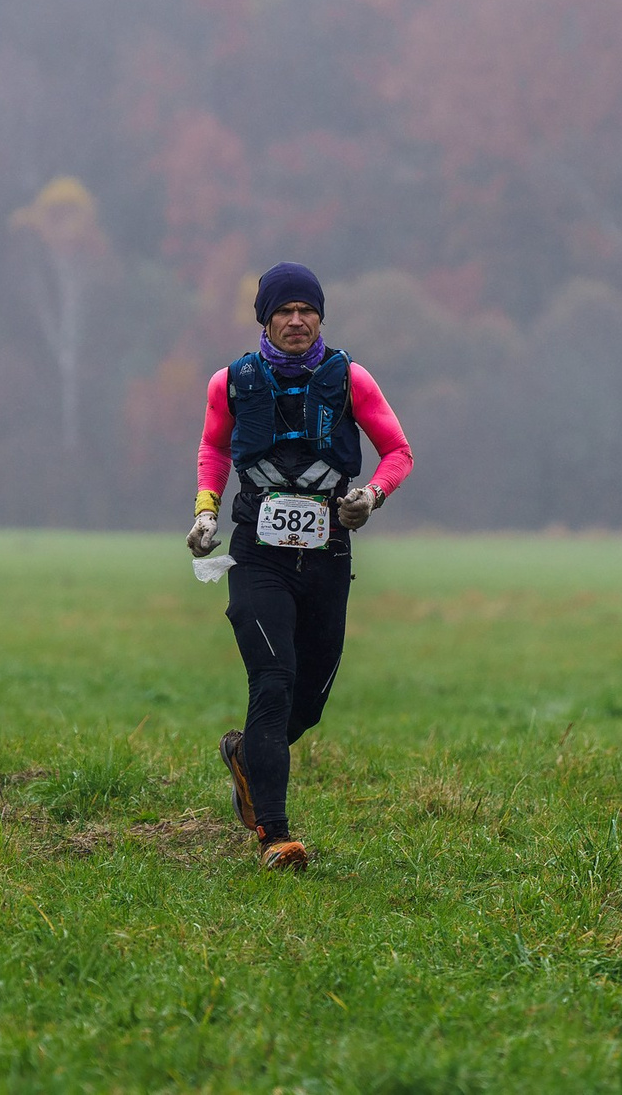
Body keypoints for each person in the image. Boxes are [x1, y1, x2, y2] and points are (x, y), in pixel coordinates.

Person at [189, 262, 412, 869]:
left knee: (307, 704)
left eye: (306, 310)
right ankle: (275, 836)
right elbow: (213, 447)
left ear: (320, 317)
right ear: (265, 319)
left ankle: (246, 756)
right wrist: (206, 511)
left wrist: (372, 496)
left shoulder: (351, 379)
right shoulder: (230, 383)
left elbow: (398, 451)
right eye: (284, 311)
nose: (296, 320)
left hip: (328, 556)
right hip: (257, 557)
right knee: (273, 681)